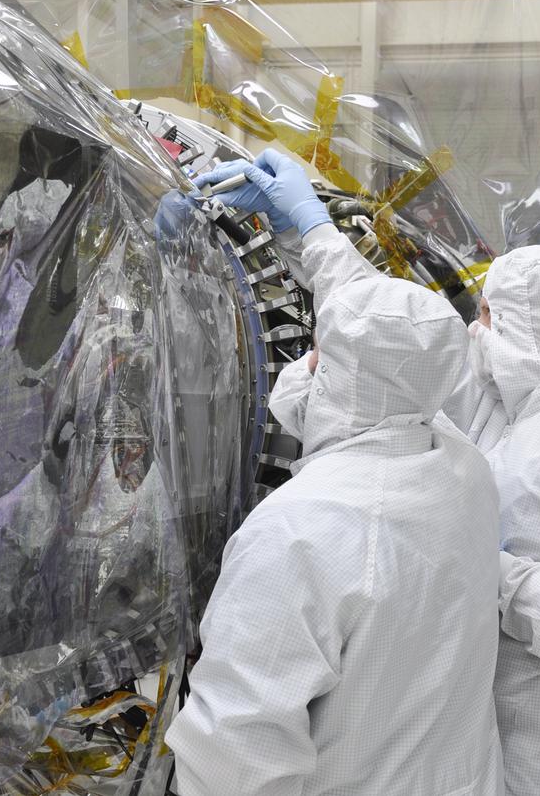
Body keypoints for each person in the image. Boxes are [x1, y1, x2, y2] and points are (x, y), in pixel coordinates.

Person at [220, 149, 540, 796]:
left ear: (532, 328)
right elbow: (389, 342)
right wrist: (310, 226)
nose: (475, 330)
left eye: (488, 316)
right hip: (483, 752)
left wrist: (472, 562)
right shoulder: (510, 404)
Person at [165, 155, 505, 796]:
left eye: (318, 349)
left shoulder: (296, 536)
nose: (308, 361)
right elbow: (394, 346)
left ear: (335, 373)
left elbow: (232, 765)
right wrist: (309, 224)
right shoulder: (464, 470)